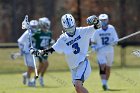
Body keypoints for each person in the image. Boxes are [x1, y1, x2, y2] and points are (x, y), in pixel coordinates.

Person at [30, 14, 100, 93]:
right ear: (64, 27)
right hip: (73, 68)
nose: (71, 30)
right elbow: (52, 49)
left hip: (82, 63)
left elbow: (98, 26)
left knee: (78, 85)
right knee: (78, 89)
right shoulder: (63, 38)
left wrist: (96, 20)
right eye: (68, 29)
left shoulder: (82, 31)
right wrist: (40, 52)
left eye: (71, 27)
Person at [90, 14, 119, 90]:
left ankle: (105, 83)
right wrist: (93, 47)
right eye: (102, 20)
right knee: (103, 66)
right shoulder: (97, 30)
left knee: (108, 68)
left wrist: (114, 42)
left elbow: (116, 39)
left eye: (105, 20)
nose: (103, 21)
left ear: (107, 20)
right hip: (101, 52)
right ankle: (103, 83)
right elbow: (93, 41)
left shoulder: (111, 28)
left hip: (110, 51)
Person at [32, 17, 53, 87]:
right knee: (46, 64)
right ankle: (40, 78)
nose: (46, 26)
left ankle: (34, 79)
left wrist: (52, 43)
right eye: (45, 25)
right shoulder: (37, 33)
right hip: (39, 51)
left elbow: (49, 42)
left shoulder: (49, 33)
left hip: (45, 51)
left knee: (41, 66)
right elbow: (31, 40)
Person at [17, 20, 39, 87]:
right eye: (33, 26)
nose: (34, 28)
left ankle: (25, 75)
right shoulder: (27, 33)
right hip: (27, 53)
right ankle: (29, 82)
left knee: (33, 68)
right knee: (30, 67)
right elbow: (20, 41)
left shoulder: (38, 33)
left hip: (35, 53)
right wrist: (21, 50)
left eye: (35, 26)